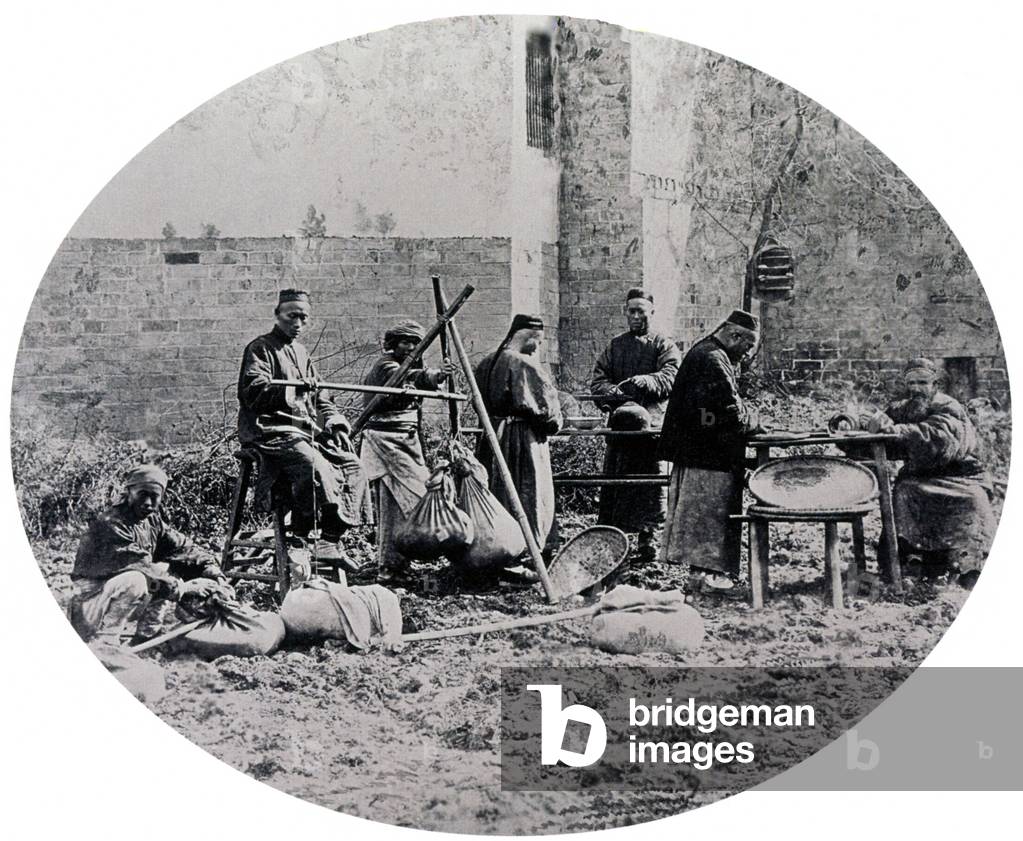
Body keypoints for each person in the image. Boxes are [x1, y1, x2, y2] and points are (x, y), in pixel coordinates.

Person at [237, 289, 369, 567]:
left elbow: (321, 397)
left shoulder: (301, 352)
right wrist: (293, 388)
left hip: (302, 430)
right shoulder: (260, 348)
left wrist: (335, 423)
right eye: (291, 316)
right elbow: (253, 391)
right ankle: (300, 535)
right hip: (270, 431)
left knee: (354, 466)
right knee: (313, 467)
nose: (297, 324)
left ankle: (329, 540)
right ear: (277, 315)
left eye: (303, 318)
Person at [865, 357, 996, 587]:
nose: (916, 388)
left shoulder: (948, 407)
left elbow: (938, 439)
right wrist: (862, 422)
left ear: (935, 385)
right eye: (911, 383)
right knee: (903, 492)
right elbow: (882, 426)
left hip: (961, 476)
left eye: (922, 382)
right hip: (920, 477)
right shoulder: (905, 408)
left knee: (973, 499)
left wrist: (896, 430)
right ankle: (908, 566)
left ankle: (969, 568)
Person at [658, 310, 761, 590]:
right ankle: (707, 581)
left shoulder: (707, 352)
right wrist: (754, 420)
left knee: (702, 521)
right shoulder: (713, 359)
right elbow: (731, 414)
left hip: (702, 451)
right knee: (708, 521)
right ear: (734, 335)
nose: (748, 353)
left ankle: (702, 579)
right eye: (747, 346)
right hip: (708, 457)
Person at [69, 464, 228, 643]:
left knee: (167, 568)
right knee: (137, 580)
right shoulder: (110, 523)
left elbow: (183, 548)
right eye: (142, 494)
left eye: (154, 496)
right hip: (89, 604)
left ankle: (146, 635)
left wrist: (212, 570)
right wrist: (185, 588)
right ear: (128, 492)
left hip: (115, 597)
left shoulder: (151, 522)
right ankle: (106, 641)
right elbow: (140, 565)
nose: (148, 503)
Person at [360, 319, 454, 582]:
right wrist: (433, 376)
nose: (411, 347)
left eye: (415, 343)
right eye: (405, 342)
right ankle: (389, 566)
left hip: (406, 440)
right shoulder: (386, 365)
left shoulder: (409, 365)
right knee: (393, 503)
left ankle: (398, 563)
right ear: (393, 344)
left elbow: (415, 378)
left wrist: (436, 376)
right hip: (387, 442)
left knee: (405, 504)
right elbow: (407, 377)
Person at [590, 288, 681, 560]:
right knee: (618, 485)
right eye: (632, 311)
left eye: (641, 311)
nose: (636, 316)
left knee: (651, 487)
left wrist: (649, 381)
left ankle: (648, 541)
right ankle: (612, 542)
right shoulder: (616, 346)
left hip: (651, 430)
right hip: (621, 429)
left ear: (652, 312)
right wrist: (612, 392)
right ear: (626, 313)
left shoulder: (663, 345)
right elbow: (598, 380)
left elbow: (672, 376)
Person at [474, 313, 563, 554]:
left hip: (491, 436)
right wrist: (555, 423)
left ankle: (497, 547)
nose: (537, 348)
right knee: (529, 493)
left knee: (496, 490)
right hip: (522, 440)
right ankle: (528, 547)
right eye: (539, 342)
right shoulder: (524, 364)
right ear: (530, 337)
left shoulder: (486, 363)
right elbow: (546, 411)